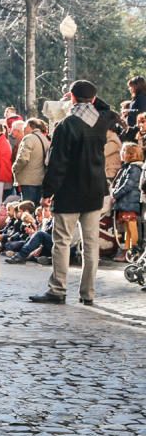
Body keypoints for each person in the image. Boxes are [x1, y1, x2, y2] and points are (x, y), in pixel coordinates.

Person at [30, 80, 118, 306]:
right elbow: (109, 109)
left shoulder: (66, 125)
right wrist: (93, 98)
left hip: (69, 191)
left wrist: (47, 193)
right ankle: (88, 292)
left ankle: (57, 289)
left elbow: (57, 164)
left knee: (61, 241)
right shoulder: (102, 120)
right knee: (91, 243)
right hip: (94, 190)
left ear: (72, 97)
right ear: (94, 99)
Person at [111, 143, 142, 256]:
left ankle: (134, 249)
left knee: (131, 226)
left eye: (123, 151)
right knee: (127, 227)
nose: (121, 153)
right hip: (126, 202)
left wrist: (116, 194)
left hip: (129, 202)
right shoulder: (128, 168)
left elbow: (127, 185)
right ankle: (127, 250)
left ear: (130, 154)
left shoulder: (134, 168)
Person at [12, 118, 49, 204]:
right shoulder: (44, 139)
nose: (23, 129)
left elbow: (23, 158)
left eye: (24, 127)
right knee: (36, 208)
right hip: (40, 179)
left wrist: (14, 168)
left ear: (29, 126)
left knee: (27, 208)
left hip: (28, 180)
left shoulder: (28, 138)